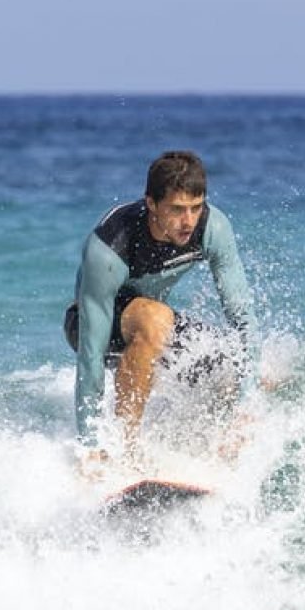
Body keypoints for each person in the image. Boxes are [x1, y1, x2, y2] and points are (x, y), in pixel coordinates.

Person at [63, 150, 259, 460]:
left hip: (156, 325)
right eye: (177, 209)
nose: (188, 221)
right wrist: (90, 441)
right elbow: (91, 352)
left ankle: (205, 448)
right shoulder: (111, 244)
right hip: (94, 323)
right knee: (155, 320)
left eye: (196, 208)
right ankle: (124, 449)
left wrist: (247, 404)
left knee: (228, 365)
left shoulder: (213, 228)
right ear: (151, 204)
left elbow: (242, 317)